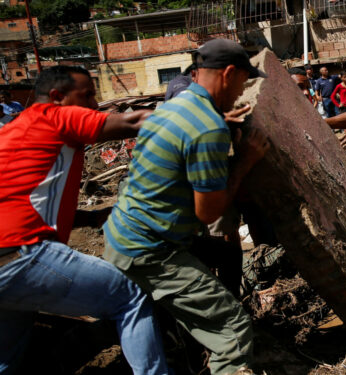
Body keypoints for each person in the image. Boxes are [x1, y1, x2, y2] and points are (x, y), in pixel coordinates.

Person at [102, 39, 270, 375]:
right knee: (232, 328)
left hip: (123, 232)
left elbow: (188, 136)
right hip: (150, 249)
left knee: (223, 255)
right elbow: (208, 214)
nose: (242, 91)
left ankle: (189, 338)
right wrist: (246, 161)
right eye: (243, 82)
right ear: (228, 73)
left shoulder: (174, 107)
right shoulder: (207, 127)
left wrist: (221, 122)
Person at [0, 66, 168, 375]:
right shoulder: (54, 115)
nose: (93, 104)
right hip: (21, 254)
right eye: (87, 95)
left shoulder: (12, 132)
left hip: (6, 263)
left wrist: (92, 218)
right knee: (129, 297)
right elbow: (137, 120)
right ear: (57, 97)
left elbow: (28, 203)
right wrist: (204, 114)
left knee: (7, 353)